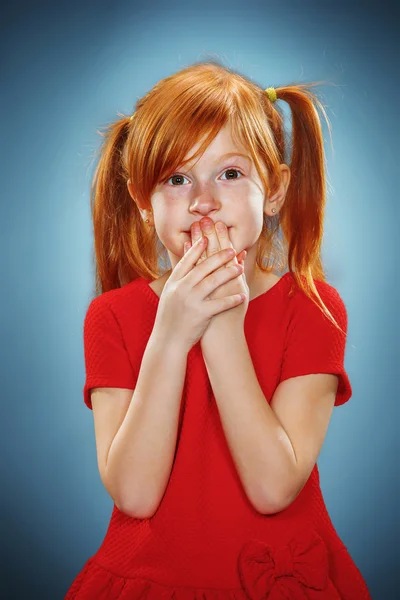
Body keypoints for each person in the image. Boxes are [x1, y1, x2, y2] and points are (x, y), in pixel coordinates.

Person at [65, 60, 372, 599]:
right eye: (177, 179)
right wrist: (171, 333)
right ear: (142, 200)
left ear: (273, 190)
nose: (203, 201)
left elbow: (274, 486)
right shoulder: (112, 317)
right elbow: (134, 493)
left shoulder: (315, 308)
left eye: (230, 174)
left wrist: (222, 329)